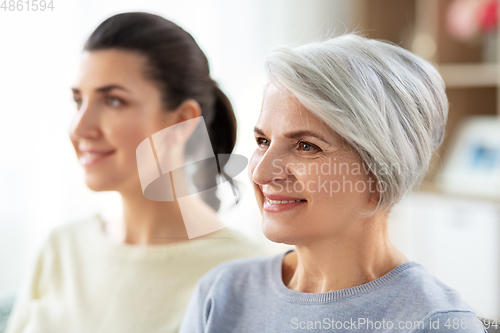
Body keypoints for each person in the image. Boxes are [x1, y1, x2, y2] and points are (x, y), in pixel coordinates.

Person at [178, 34, 488, 333]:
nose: (260, 174)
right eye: (262, 141)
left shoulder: (436, 323)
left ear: (381, 173)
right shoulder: (221, 295)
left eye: (305, 146)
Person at [6, 12, 267, 333]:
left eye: (113, 101)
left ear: (181, 121)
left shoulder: (247, 275)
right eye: (78, 100)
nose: (80, 128)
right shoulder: (61, 250)